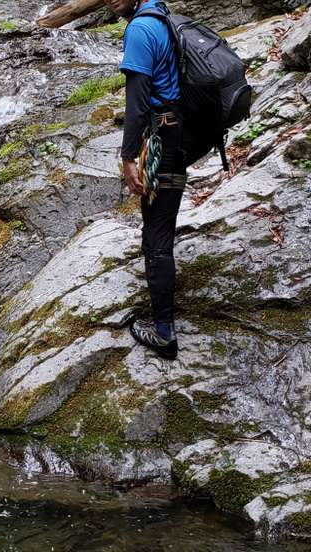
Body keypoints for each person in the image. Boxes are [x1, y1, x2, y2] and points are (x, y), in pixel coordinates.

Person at [103, 0, 185, 360]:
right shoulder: (160, 14)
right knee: (163, 224)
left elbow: (136, 105)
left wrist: (127, 159)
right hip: (178, 132)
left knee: (156, 235)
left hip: (161, 139)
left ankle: (164, 331)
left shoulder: (138, 28)